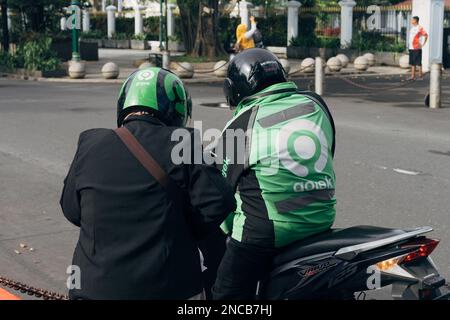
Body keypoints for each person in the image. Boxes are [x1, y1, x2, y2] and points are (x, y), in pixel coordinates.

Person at [60, 67, 236, 300]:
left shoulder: (90, 143)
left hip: (92, 289)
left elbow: (71, 209)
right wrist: (182, 228)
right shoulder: (182, 142)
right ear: (178, 108)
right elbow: (220, 200)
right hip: (167, 289)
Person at [213, 48, 337, 300]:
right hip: (321, 221)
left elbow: (221, 196)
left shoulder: (240, 124)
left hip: (264, 235)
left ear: (233, 90)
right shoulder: (316, 104)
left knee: (226, 294)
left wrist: (224, 229)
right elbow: (328, 151)